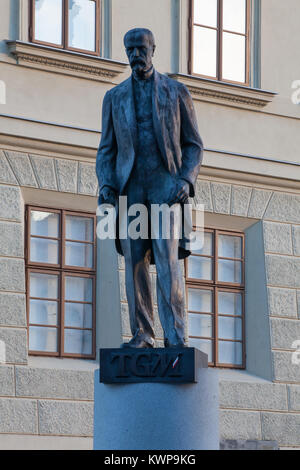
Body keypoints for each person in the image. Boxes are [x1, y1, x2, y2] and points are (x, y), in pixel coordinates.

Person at [96, 28, 203, 348]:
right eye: (129, 49)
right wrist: (106, 183)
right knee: (134, 262)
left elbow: (194, 145)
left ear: (153, 49)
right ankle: (142, 333)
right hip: (131, 187)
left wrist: (186, 179)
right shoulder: (114, 98)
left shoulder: (177, 91)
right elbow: (106, 149)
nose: (134, 55)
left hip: (165, 186)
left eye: (140, 48)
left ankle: (175, 335)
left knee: (167, 259)